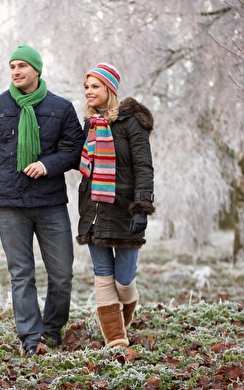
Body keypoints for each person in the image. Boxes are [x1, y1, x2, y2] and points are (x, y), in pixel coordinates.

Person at [0, 44, 84, 356]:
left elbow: (76, 150)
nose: (16, 71)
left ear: (36, 69)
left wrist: (49, 165)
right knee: (22, 275)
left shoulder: (61, 108)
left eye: (22, 66)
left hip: (50, 203)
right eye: (12, 66)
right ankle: (32, 340)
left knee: (62, 275)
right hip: (9, 204)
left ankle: (51, 331)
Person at [76, 63, 155, 347]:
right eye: (86, 87)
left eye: (94, 86)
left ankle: (124, 317)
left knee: (123, 280)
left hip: (124, 210)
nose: (88, 92)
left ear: (109, 89)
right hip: (94, 210)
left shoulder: (132, 123)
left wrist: (142, 208)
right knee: (102, 276)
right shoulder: (90, 125)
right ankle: (116, 339)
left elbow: (144, 167)